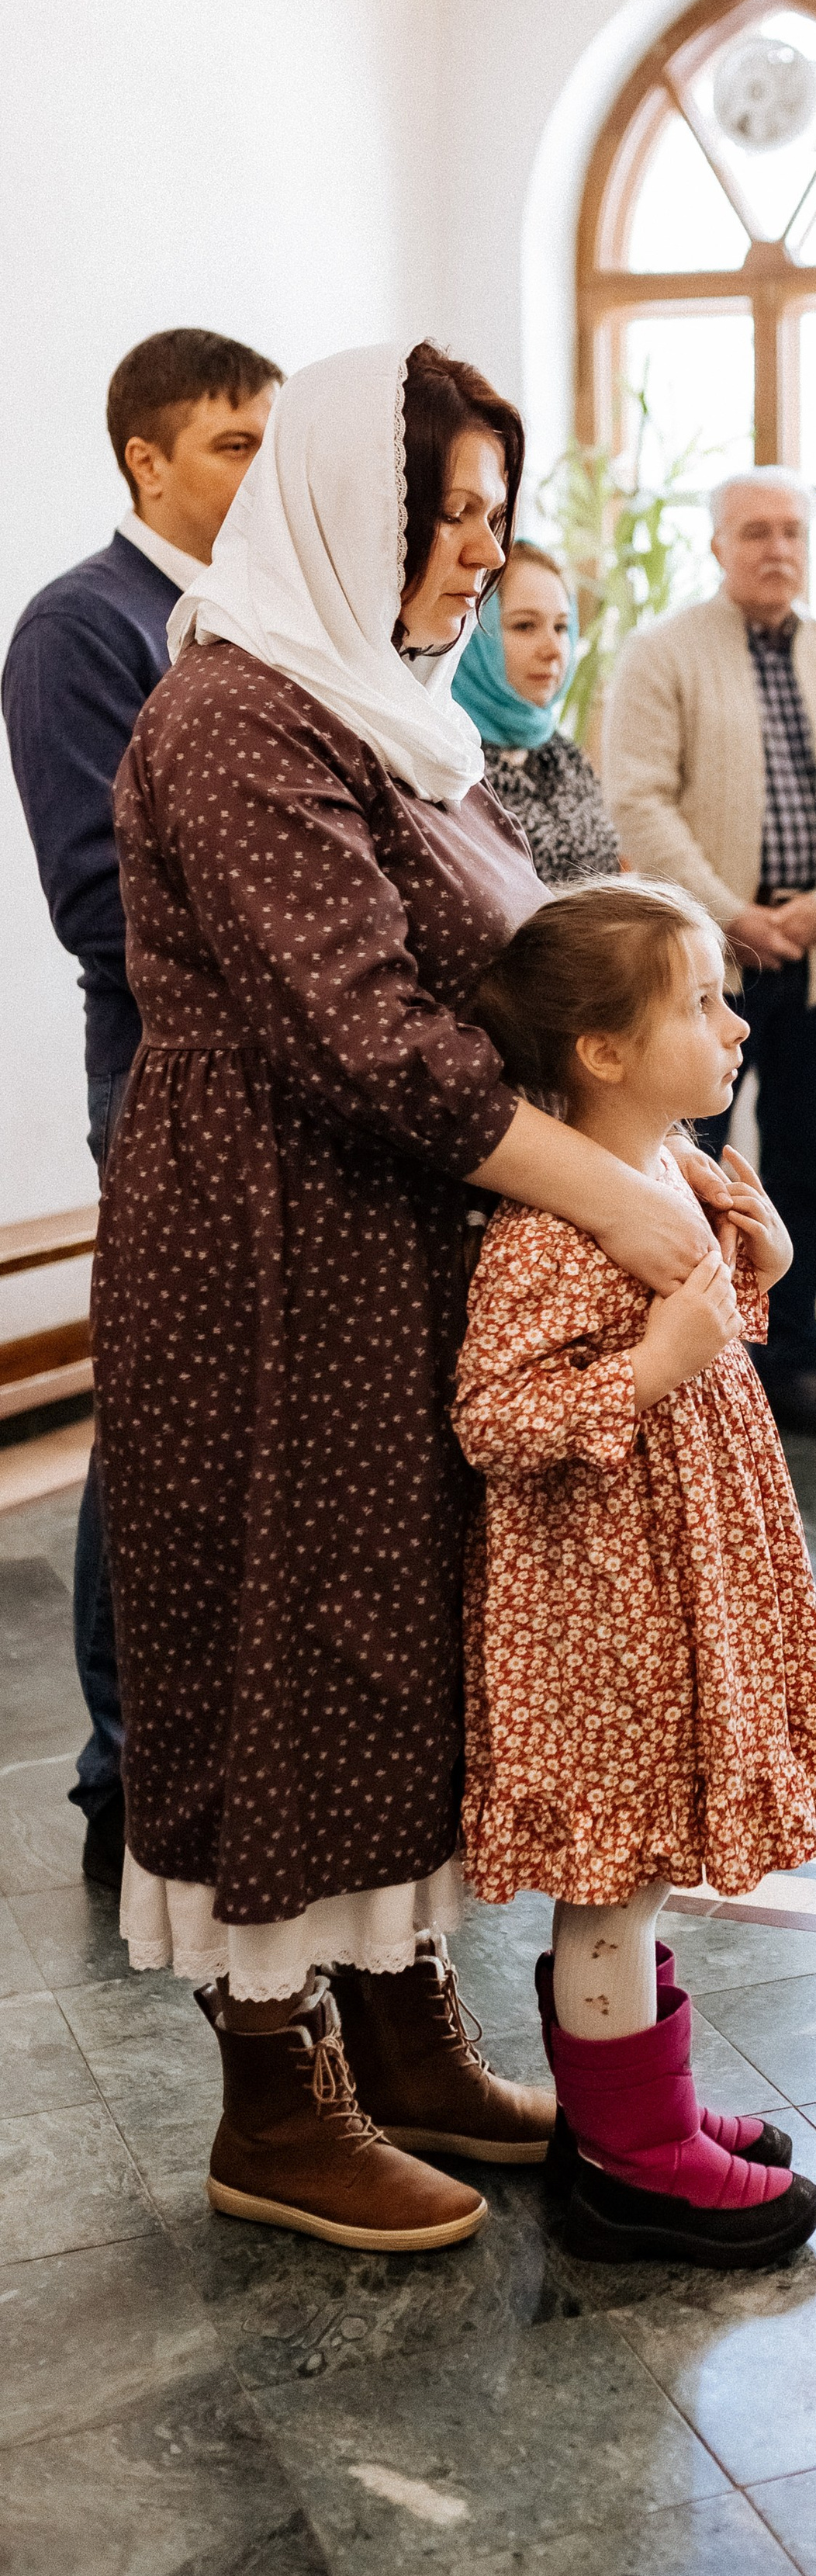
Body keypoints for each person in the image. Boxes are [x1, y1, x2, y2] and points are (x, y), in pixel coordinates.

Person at [93, 341, 732, 2256]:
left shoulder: (380, 714)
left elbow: (532, 992)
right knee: (286, 1639)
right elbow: (366, 1037)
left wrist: (676, 1166)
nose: (476, 550)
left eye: (490, 514)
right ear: (341, 509)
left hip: (393, 1246)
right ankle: (273, 2098)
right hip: (267, 1259)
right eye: (441, 512)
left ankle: (400, 2025)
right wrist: (621, 1212)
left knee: (393, 1638)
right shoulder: (231, 718)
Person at [455, 876, 816, 2266]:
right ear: (604, 1052)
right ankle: (633, 2166)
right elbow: (496, 1418)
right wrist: (650, 1366)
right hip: (603, 1611)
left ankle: (638, 2111)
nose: (737, 1024)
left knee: (634, 1879)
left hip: (672, 1583)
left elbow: (705, 1321)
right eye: (701, 1002)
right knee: (613, 1881)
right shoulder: (548, 1229)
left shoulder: (671, 1173)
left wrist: (764, 1259)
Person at [3, 327, 282, 1891]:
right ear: (146, 459)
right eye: (236, 445)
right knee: (159, 1413)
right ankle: (124, 1762)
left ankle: (222, 1730)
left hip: (274, 1070)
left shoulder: (256, 624)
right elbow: (99, 899)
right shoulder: (83, 626)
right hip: (163, 1074)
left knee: (239, 1417)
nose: (263, 473)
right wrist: (298, 957)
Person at [602, 466, 816, 1444]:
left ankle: (795, 1362)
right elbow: (639, 800)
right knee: (688, 1170)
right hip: (703, 971)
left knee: (809, 1171)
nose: (778, 548)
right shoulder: (661, 655)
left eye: (792, 532)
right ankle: (700, 1367)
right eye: (756, 531)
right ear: (717, 546)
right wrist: (731, 916)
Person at [451, 539, 622, 882]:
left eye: (561, 627)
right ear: (473, 634)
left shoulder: (563, 756)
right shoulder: (450, 762)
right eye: (525, 626)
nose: (553, 649)